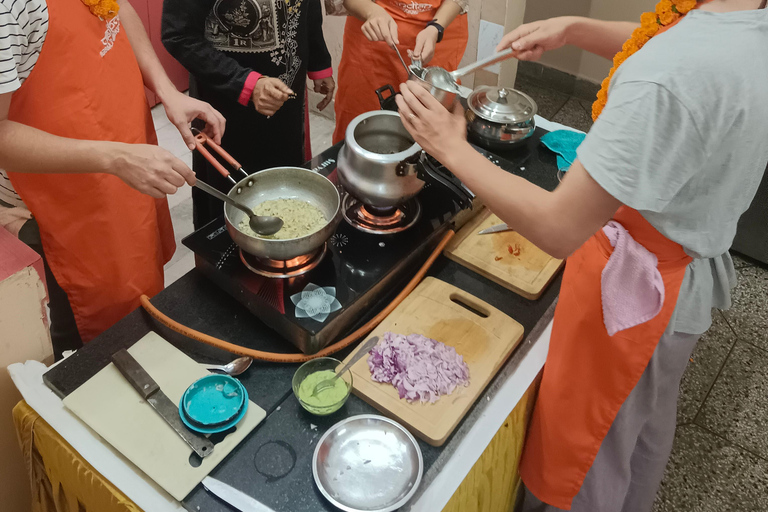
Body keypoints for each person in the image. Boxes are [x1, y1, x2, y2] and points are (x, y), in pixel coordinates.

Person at [394, 0, 768, 510]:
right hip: (686, 266)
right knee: (640, 430)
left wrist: (450, 148)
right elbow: (669, 40)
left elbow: (559, 227)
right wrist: (576, 29)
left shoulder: (668, 79)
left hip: (640, 298)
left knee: (590, 458)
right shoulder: (741, 18)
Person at [0, 0, 225, 358]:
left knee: (138, 295)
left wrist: (166, 90)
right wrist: (116, 157)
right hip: (63, 201)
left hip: (122, 155)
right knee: (101, 346)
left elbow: (119, 8)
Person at [162, 0, 335, 230]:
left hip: (286, 102)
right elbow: (179, 35)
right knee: (229, 205)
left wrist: (319, 63)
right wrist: (245, 83)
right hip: (224, 108)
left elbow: (307, 8)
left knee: (286, 187)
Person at [331, 0, 468, 144]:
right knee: (360, 129)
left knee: (432, 134)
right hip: (371, 41)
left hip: (439, 36)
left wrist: (435, 28)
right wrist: (371, 11)